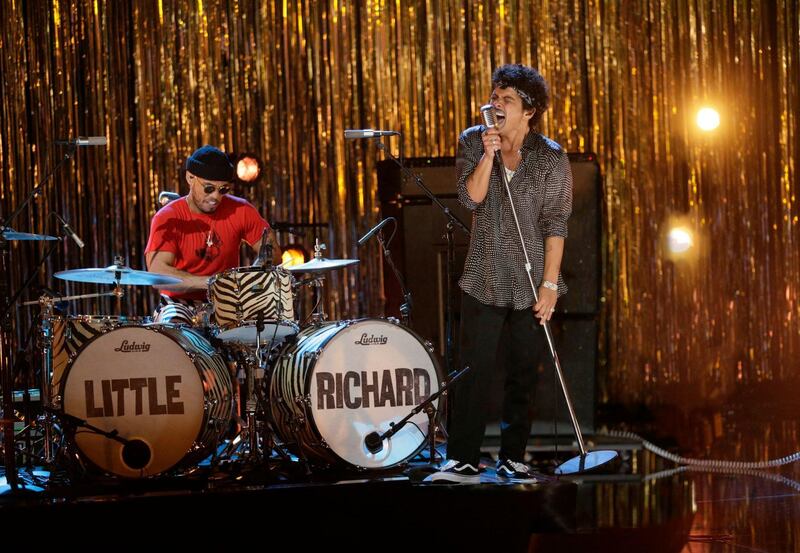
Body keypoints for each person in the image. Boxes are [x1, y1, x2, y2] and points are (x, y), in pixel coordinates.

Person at [429, 64, 573, 483]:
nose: (496, 104)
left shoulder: (551, 157)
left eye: (506, 100)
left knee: (524, 372)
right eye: (494, 97)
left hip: (531, 282)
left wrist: (549, 285)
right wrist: (490, 154)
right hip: (484, 275)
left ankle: (513, 456)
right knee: (473, 370)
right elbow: (471, 200)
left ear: (529, 111)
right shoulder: (474, 142)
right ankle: (464, 458)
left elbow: (556, 224)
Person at [145, 145, 280, 324]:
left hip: (226, 301)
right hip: (178, 303)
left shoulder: (241, 210)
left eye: (223, 189)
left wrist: (249, 279)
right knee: (175, 328)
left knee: (266, 328)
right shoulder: (167, 217)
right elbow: (158, 275)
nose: (216, 196)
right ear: (190, 178)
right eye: (209, 188)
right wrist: (213, 282)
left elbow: (272, 253)